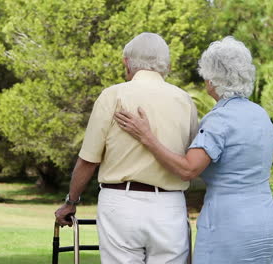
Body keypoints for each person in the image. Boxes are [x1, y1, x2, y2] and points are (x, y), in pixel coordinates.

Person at [114, 36, 273, 264]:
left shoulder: (220, 119)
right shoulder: (260, 115)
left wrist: (147, 136)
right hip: (265, 218)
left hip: (229, 223)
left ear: (212, 79)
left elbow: (188, 169)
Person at [54, 32, 198, 264]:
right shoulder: (184, 100)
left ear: (126, 62)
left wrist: (71, 202)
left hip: (121, 203)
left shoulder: (113, 96)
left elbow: (89, 160)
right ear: (166, 64)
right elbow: (191, 158)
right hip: (170, 206)